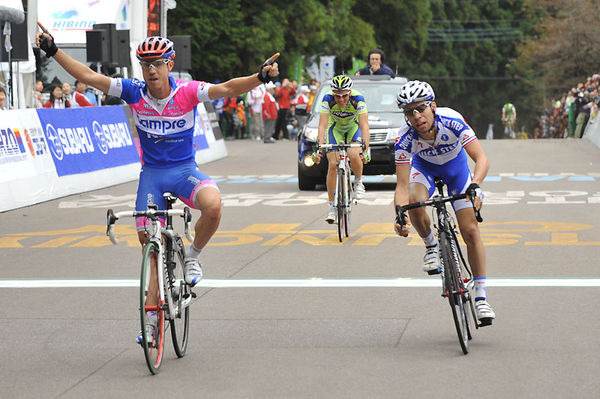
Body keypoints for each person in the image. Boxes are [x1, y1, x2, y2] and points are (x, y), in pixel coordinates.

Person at [36, 25, 279, 343]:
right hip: (151, 174)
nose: (151, 70)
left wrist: (259, 77)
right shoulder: (133, 91)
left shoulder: (188, 92)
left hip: (183, 171)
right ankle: (151, 320)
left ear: (170, 63)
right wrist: (54, 52)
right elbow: (90, 76)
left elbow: (228, 88)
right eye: (145, 65)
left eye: (157, 64)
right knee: (150, 248)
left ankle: (192, 255)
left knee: (214, 205)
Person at [392, 80, 495, 325]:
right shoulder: (404, 138)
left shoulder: (452, 120)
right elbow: (402, 186)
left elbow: (481, 158)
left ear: (433, 107)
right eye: (409, 112)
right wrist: (399, 214)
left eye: (421, 108)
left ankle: (481, 297)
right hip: (424, 169)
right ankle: (431, 246)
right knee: (415, 202)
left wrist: (475, 184)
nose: (416, 116)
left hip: (456, 169)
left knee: (470, 230)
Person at [314, 75, 370, 223]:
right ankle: (332, 206)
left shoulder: (358, 99)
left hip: (353, 127)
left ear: (350, 93)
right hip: (336, 128)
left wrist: (365, 149)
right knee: (332, 164)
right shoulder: (327, 99)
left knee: (353, 153)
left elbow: (364, 125)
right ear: (333, 93)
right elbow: (322, 125)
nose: (341, 100)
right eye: (337, 96)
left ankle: (358, 182)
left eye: (344, 95)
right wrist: (319, 149)